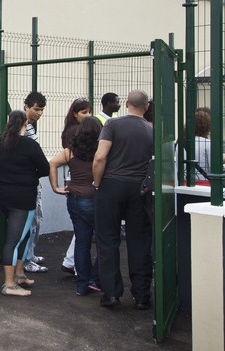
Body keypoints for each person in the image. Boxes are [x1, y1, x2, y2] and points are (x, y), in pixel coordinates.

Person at [92, 89, 154, 309]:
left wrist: (97, 183)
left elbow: (100, 157)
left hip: (111, 186)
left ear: (127, 104)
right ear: (146, 107)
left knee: (108, 239)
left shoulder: (112, 125)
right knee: (140, 241)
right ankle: (142, 295)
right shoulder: (152, 129)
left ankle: (111, 294)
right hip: (140, 189)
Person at [0, 110, 50, 297]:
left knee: (23, 236)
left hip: (3, 195)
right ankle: (9, 284)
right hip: (23, 197)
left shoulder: (0, 143)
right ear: (26, 123)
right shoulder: (29, 144)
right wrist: (30, 175)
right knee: (14, 241)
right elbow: (44, 168)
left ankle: (19, 274)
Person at [49, 116, 103, 297]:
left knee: (82, 242)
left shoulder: (70, 151)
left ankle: (82, 285)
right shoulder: (102, 151)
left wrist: (55, 187)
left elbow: (53, 163)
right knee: (105, 242)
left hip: (74, 199)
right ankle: (96, 279)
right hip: (96, 199)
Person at [58, 98, 93, 275]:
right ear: (75, 113)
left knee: (81, 230)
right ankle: (76, 265)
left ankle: (71, 261)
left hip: (73, 181)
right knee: (83, 231)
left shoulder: (70, 130)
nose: (88, 116)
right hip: (80, 183)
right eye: (84, 112)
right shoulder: (77, 132)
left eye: (89, 112)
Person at [22, 91, 48, 273]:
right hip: (27, 182)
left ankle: (30, 255)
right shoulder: (22, 127)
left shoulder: (30, 126)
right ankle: (26, 259)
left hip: (33, 180)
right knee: (31, 222)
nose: (39, 113)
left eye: (41, 110)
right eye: (36, 109)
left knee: (36, 220)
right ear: (26, 107)